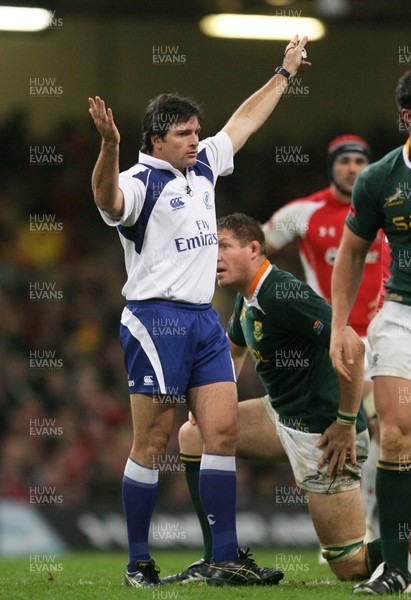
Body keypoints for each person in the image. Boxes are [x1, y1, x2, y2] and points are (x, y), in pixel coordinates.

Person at [88, 36, 310, 587]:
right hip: (155, 319)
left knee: (223, 432)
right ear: (155, 140)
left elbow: (243, 123)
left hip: (204, 319)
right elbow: (104, 200)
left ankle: (225, 557)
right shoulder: (140, 183)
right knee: (154, 441)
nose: (195, 140)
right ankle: (139, 562)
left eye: (195, 131)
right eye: (183, 134)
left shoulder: (202, 166)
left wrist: (283, 75)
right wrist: (109, 146)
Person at [162, 212, 385, 585]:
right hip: (280, 415)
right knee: (194, 434)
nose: (214, 256)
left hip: (323, 431)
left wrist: (346, 423)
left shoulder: (283, 293)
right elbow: (233, 351)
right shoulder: (248, 297)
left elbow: (351, 348)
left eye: (223, 247)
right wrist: (215, 403)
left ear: (253, 249)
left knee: (351, 566)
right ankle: (219, 558)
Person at [263, 135, 384, 543]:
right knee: (365, 430)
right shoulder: (304, 212)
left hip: (389, 334)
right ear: (331, 166)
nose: (352, 168)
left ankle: (377, 530)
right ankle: (364, 530)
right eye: (344, 161)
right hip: (334, 340)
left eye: (359, 161)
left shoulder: (386, 206)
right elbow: (255, 251)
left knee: (391, 433)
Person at [330, 65, 411, 595]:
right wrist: (341, 325)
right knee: (396, 436)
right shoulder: (380, 178)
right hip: (403, 316)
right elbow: (351, 255)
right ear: (409, 114)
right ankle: (396, 571)